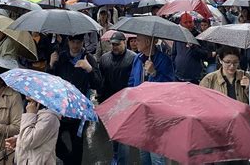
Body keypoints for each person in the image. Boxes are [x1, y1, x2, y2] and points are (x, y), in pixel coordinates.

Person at [46, 34, 102, 165]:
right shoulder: (61, 57)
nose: (76, 46)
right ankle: (69, 161)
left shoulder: (89, 58)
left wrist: (89, 69)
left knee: (77, 145)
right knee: (54, 140)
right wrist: (51, 65)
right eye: (73, 42)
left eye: (79, 42)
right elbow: (50, 82)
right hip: (61, 108)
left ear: (83, 42)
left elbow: (98, 84)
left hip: (79, 111)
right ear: (68, 41)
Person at [128, 34, 174, 165]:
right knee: (144, 155)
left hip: (157, 115)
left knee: (157, 157)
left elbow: (170, 87)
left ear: (148, 42)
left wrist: (154, 73)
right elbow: (132, 82)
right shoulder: (137, 59)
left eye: (138, 40)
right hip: (140, 113)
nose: (135, 43)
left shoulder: (164, 60)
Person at [98, 31, 136, 165]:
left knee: (122, 134)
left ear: (124, 42)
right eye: (113, 44)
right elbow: (101, 80)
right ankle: (116, 154)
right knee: (113, 132)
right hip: (109, 100)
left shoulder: (133, 58)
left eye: (117, 44)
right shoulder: (104, 58)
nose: (114, 47)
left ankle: (121, 161)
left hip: (126, 101)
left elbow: (136, 81)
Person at [5, 97, 61, 165]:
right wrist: (18, 139)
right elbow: (31, 135)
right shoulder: (34, 109)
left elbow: (27, 142)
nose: (26, 96)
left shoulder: (50, 117)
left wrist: (30, 114)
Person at [171, 13, 212, 84]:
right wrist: (174, 66)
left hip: (194, 77)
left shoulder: (199, 36)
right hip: (178, 76)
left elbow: (205, 54)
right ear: (181, 23)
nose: (188, 24)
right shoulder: (178, 36)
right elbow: (174, 53)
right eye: (185, 22)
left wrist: (193, 47)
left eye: (190, 22)